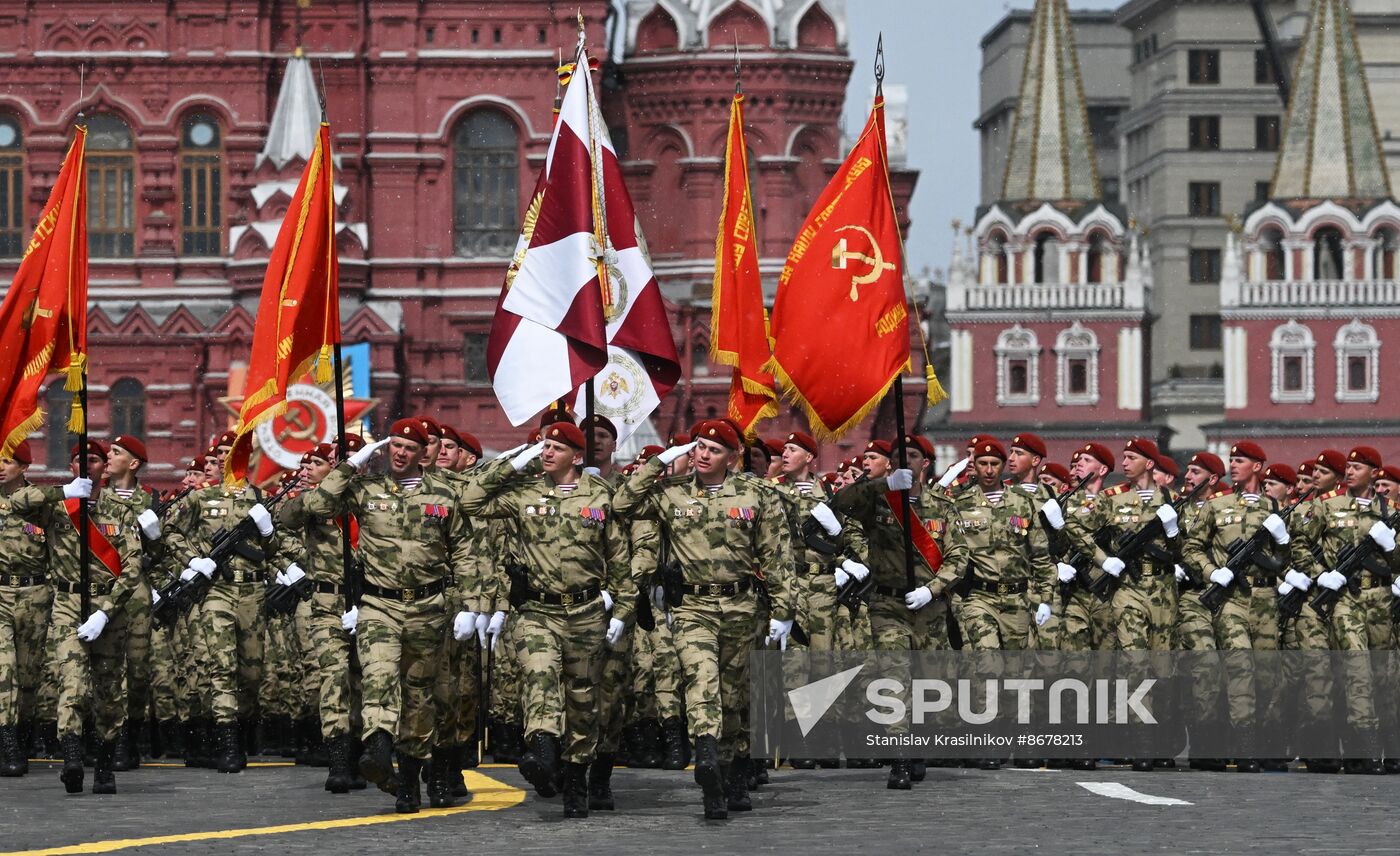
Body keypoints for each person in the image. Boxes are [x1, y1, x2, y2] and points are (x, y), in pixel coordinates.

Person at [614, 421, 795, 820]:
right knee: (702, 680)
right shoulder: (670, 493)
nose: (702, 454)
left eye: (713, 449)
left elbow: (777, 555)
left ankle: (727, 777)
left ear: (732, 457)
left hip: (742, 607)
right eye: (698, 446)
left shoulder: (756, 493)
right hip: (692, 608)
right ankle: (707, 755)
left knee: (734, 696)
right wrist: (658, 461)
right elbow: (622, 505)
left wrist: (784, 610)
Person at [303, 418, 477, 812]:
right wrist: (348, 466)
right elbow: (312, 506)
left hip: (428, 608)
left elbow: (465, 551)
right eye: (394, 446)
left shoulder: (445, 494)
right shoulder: (365, 490)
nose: (400, 453)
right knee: (378, 677)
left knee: (419, 697)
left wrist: (469, 604)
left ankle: (409, 779)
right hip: (379, 605)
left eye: (409, 448)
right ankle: (378, 748)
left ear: (422, 454)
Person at [459, 422, 632, 818]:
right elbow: (470, 500)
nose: (547, 452)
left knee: (583, 700)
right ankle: (542, 748)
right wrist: (511, 464)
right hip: (537, 611)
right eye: (543, 446)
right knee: (539, 676)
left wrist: (622, 610)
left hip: (587, 613)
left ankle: (575, 780)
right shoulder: (525, 493)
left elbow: (620, 559)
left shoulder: (603, 496)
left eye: (556, 446)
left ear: (577, 455)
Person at [826, 436, 969, 787]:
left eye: (914, 456)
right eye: (898, 456)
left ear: (926, 464)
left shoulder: (943, 506)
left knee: (927, 683)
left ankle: (917, 744)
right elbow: (840, 503)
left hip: (930, 607)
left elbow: (959, 556)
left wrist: (932, 589)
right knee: (894, 678)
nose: (906, 460)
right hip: (888, 604)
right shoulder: (878, 499)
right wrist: (882, 484)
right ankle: (900, 757)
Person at [11, 441, 142, 794]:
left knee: (110, 693)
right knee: (72, 684)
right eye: (79, 460)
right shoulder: (59, 505)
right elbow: (17, 503)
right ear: (72, 468)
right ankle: (71, 758)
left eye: (95, 460)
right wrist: (62, 492)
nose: (87, 465)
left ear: (104, 468)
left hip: (108, 611)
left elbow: (132, 570)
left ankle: (103, 765)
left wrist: (105, 612)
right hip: (68, 604)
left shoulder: (120, 509)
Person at [1066, 438, 1182, 772]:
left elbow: (1185, 548)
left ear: (1149, 463)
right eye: (1124, 457)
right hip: (1128, 589)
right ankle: (1141, 744)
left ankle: (1161, 742)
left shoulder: (1172, 500)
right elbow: (1075, 527)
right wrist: (1104, 560)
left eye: (1132, 457)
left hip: (1163, 590)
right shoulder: (1112, 500)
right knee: (1135, 665)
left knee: (1164, 670)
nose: (1125, 462)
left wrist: (1173, 529)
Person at [1182, 442, 1292, 772]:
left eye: (1240, 460)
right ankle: (1244, 747)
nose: (1233, 465)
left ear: (1258, 467)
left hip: (1266, 600)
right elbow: (1191, 548)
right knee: (1241, 666)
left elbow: (1289, 560)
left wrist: (1284, 541)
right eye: (1230, 460)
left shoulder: (1276, 507)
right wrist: (1212, 572)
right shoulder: (1217, 506)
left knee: (1267, 675)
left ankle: (1258, 742)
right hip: (1231, 600)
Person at [277, 443, 366, 794]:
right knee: (334, 677)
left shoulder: (368, 500)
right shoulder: (314, 503)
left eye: (319, 462)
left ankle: (359, 754)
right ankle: (339, 760)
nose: (309, 468)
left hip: (368, 601)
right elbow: (287, 517)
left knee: (363, 681)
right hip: (327, 600)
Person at [0, 441, 51, 777]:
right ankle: (7, 744)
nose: (1, 466)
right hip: (0, 592)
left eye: (8, 461)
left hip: (35, 594)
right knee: (4, 671)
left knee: (29, 674)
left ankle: (23, 734)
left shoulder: (42, 505)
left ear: (24, 467)